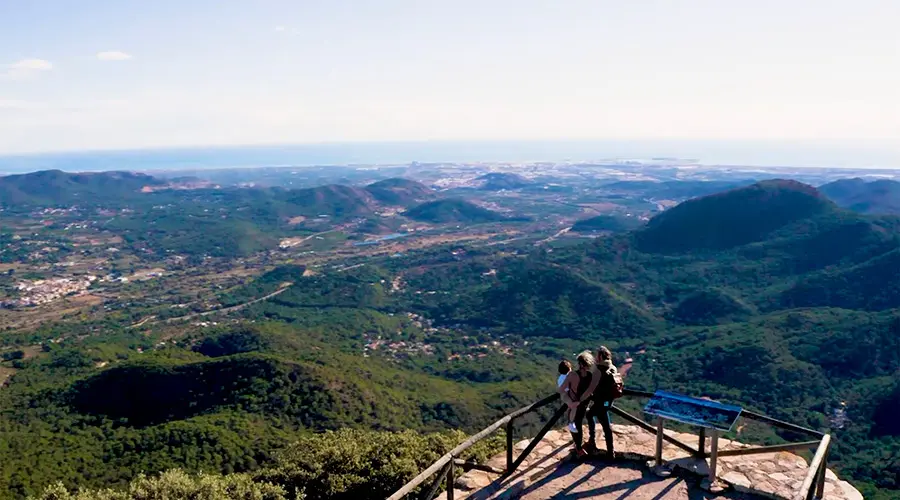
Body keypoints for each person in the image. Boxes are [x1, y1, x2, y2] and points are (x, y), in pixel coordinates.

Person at [575, 346, 618, 459]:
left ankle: (593, 442)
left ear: (600, 356)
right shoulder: (612, 367)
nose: (595, 358)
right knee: (605, 424)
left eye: (597, 355)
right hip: (608, 402)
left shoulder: (599, 369)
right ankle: (609, 451)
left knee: (591, 415)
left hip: (600, 401)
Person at [569, 351, 595, 457]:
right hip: (585, 403)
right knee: (578, 423)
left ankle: (579, 448)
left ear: (580, 363)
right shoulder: (589, 375)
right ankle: (584, 443)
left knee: (574, 424)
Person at [556, 359, 579, 433]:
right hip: (566, 395)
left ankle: (571, 418)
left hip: (566, 394)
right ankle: (571, 423)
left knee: (572, 406)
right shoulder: (567, 377)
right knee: (574, 406)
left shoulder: (561, 377)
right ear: (569, 369)